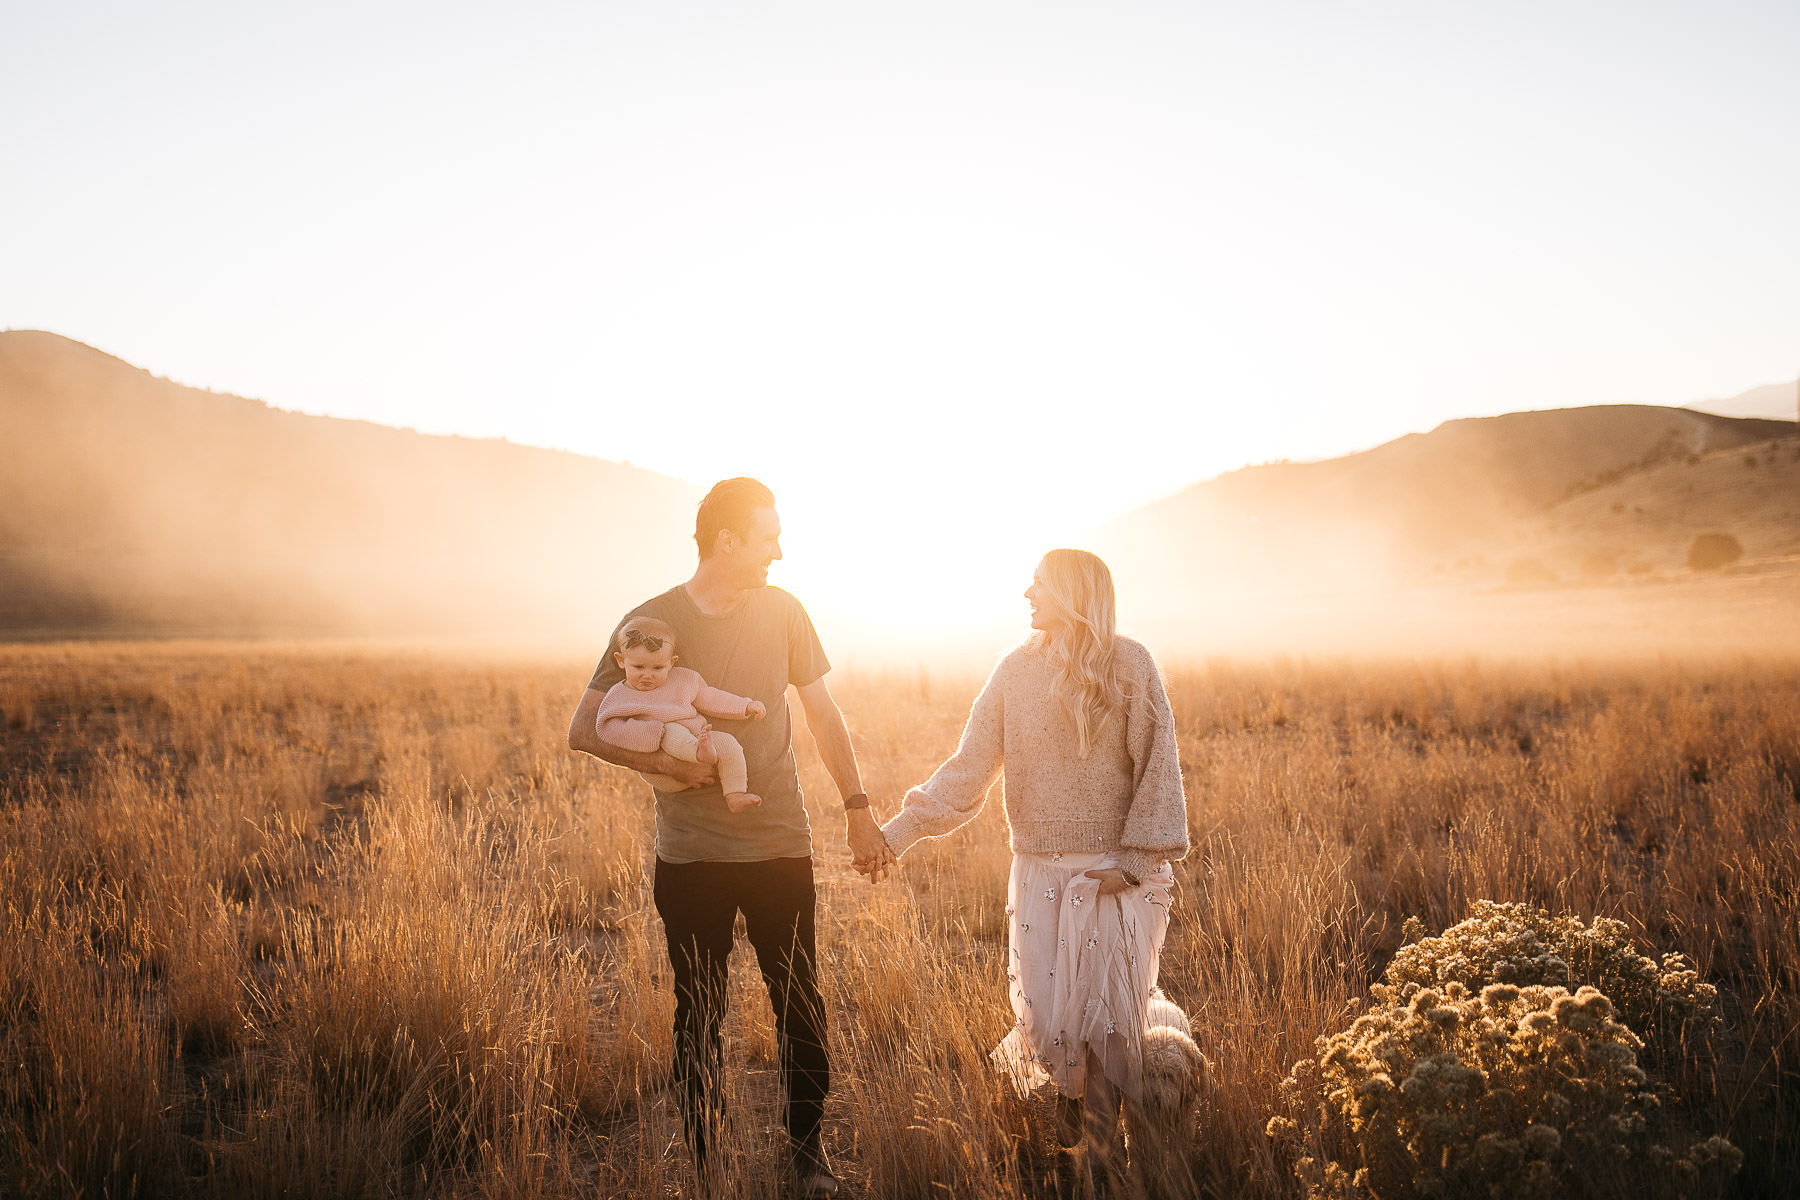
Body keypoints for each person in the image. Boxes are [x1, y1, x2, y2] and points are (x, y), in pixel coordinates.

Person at [566, 477, 890, 1200]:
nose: (780, 549)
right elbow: (583, 730)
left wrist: (858, 805)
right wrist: (660, 767)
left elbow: (823, 713)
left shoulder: (785, 611)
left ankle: (805, 1155)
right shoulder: (647, 623)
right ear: (727, 541)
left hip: (780, 844)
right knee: (698, 1010)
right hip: (690, 857)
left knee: (799, 999)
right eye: (768, 536)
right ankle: (705, 1163)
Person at [872, 548, 1189, 1186]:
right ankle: (1076, 1142)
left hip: (1114, 876)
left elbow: (1160, 766)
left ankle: (1104, 1161)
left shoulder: (1131, 664)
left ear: (1071, 593)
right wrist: (897, 833)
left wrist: (1130, 864)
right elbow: (969, 769)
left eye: (1038, 585)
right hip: (1040, 875)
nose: (1026, 595)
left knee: (1107, 1023)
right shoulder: (1014, 672)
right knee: (1051, 1022)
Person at [594, 615, 768, 813]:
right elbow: (606, 726)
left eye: (658, 668)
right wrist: (652, 732)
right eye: (638, 667)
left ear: (671, 662)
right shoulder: (620, 694)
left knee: (729, 744)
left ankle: (735, 794)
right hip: (663, 764)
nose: (647, 675)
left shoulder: (684, 679)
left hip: (697, 739)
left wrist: (745, 706)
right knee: (672, 730)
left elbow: (710, 697)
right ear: (621, 661)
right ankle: (700, 752)